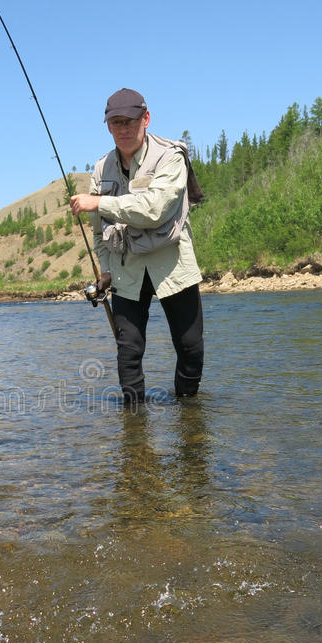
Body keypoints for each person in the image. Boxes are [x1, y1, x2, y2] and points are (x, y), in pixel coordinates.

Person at [70, 88, 204, 405]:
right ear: (108, 126)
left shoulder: (172, 156)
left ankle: (189, 415)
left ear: (146, 118)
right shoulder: (101, 169)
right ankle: (134, 429)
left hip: (171, 263)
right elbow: (100, 232)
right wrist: (104, 271)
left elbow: (154, 209)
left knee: (190, 347)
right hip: (126, 269)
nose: (124, 128)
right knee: (128, 351)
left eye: (130, 120)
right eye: (116, 122)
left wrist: (99, 202)